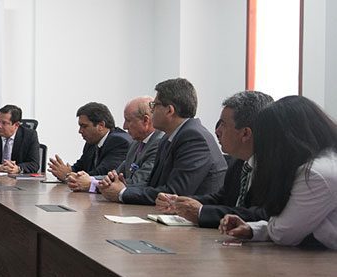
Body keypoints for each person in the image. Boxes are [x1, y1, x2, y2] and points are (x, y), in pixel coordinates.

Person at [220, 96, 337, 249]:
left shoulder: (316, 174)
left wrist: (266, 227)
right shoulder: (326, 161)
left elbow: (284, 234)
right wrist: (254, 229)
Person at [98, 78, 226, 205]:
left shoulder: (194, 138)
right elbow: (153, 185)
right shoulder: (168, 137)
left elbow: (174, 193)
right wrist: (123, 186)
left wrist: (122, 193)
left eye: (154, 105)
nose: (151, 110)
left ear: (169, 110)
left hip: (193, 216)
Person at [156, 91, 273, 228]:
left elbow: (262, 215)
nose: (217, 131)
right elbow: (221, 199)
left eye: (223, 124)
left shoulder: (275, 167)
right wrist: (180, 203)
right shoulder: (239, 162)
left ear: (245, 133)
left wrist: (201, 212)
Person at [66, 96, 163, 192]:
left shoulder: (159, 144)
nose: (124, 126)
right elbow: (115, 175)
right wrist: (87, 179)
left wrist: (91, 184)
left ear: (145, 121)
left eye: (128, 120)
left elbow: (137, 183)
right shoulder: (136, 143)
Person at [48, 102, 131, 181]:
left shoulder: (119, 141)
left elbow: (103, 174)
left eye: (84, 126)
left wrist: (68, 175)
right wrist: (67, 170)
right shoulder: (92, 142)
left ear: (101, 125)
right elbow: (79, 167)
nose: (80, 131)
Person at [0, 104, 40, 174]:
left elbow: (34, 164)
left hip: (19, 179)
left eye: (4, 123)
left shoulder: (30, 136)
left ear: (16, 125)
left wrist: (18, 168)